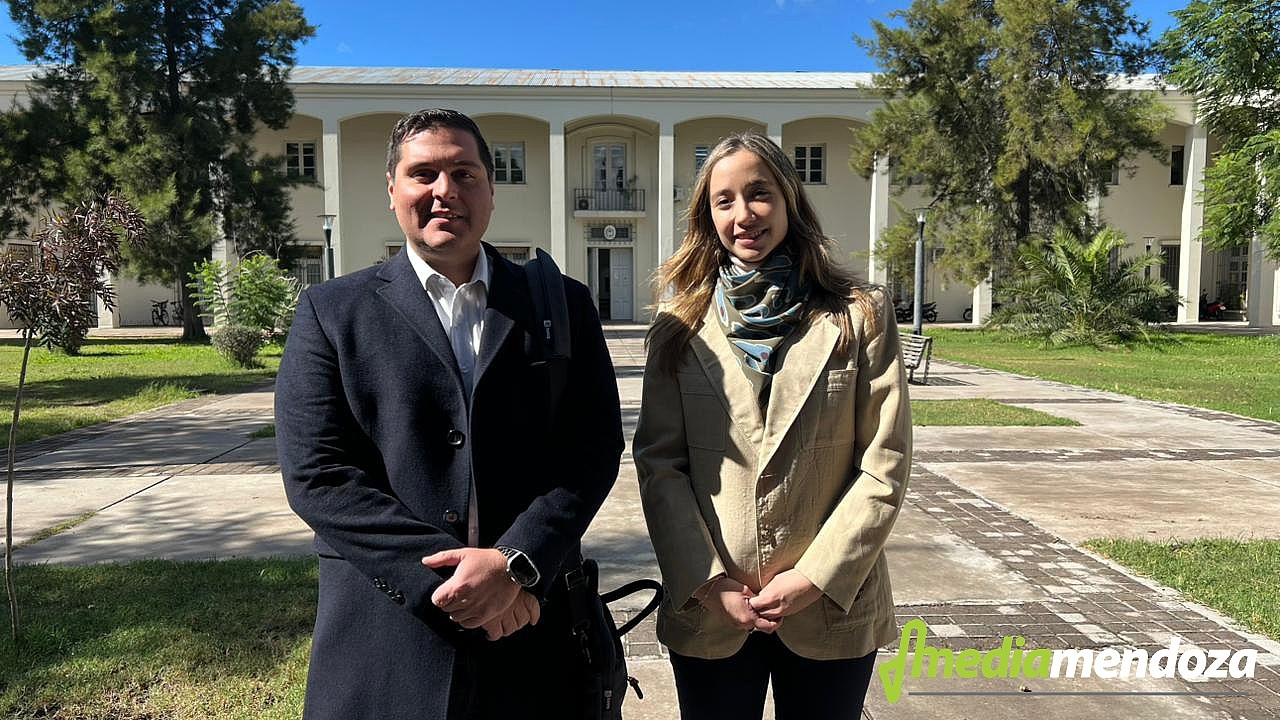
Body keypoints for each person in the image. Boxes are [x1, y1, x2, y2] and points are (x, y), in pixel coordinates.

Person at [275, 108, 623, 720]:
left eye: (465, 174)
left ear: (490, 188)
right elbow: (317, 474)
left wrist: (516, 563)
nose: (445, 191)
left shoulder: (562, 303)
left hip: (533, 630)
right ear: (392, 189)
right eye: (423, 174)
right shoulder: (332, 311)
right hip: (387, 633)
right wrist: (449, 583)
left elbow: (592, 450)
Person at [633, 130, 912, 719]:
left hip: (830, 605)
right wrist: (710, 582)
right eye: (724, 200)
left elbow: (884, 463)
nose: (744, 215)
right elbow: (661, 465)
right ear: (707, 216)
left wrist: (814, 576)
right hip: (711, 609)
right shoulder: (678, 325)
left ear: (789, 200)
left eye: (759, 194)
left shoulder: (858, 314)